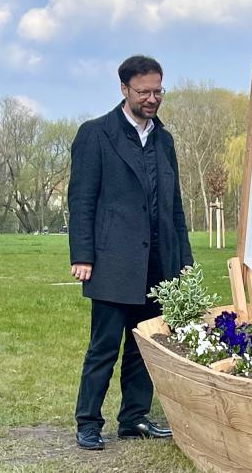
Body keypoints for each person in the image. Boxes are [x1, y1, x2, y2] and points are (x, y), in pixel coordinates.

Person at [68, 55, 193, 450]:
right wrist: (82, 255)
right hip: (112, 262)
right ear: (124, 89)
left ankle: (134, 418)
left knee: (145, 345)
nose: (152, 98)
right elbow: (81, 200)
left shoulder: (164, 140)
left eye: (158, 91)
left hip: (157, 262)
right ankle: (89, 422)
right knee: (103, 347)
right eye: (144, 92)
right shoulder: (95, 134)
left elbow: (174, 206)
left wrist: (184, 260)